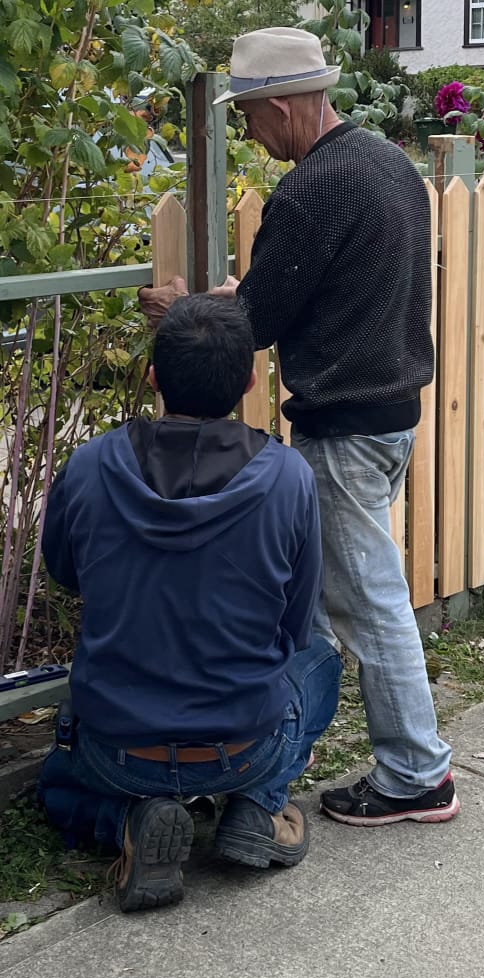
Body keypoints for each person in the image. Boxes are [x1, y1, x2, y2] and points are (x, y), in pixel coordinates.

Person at [139, 25, 459, 828]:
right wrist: (235, 295)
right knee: (315, 599)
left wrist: (184, 312)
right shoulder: (387, 163)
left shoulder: (314, 189)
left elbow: (257, 325)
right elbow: (322, 285)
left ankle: (418, 773)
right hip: (390, 416)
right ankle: (282, 750)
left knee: (366, 601)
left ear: (282, 106)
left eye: (250, 117)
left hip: (343, 428)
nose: (249, 132)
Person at [38, 293, 341, 913]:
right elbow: (298, 615)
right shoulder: (288, 478)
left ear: (153, 376)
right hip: (242, 747)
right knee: (323, 662)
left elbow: (65, 573)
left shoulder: (90, 465)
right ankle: (257, 807)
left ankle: (128, 817)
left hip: (119, 749)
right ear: (252, 380)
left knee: (54, 786)